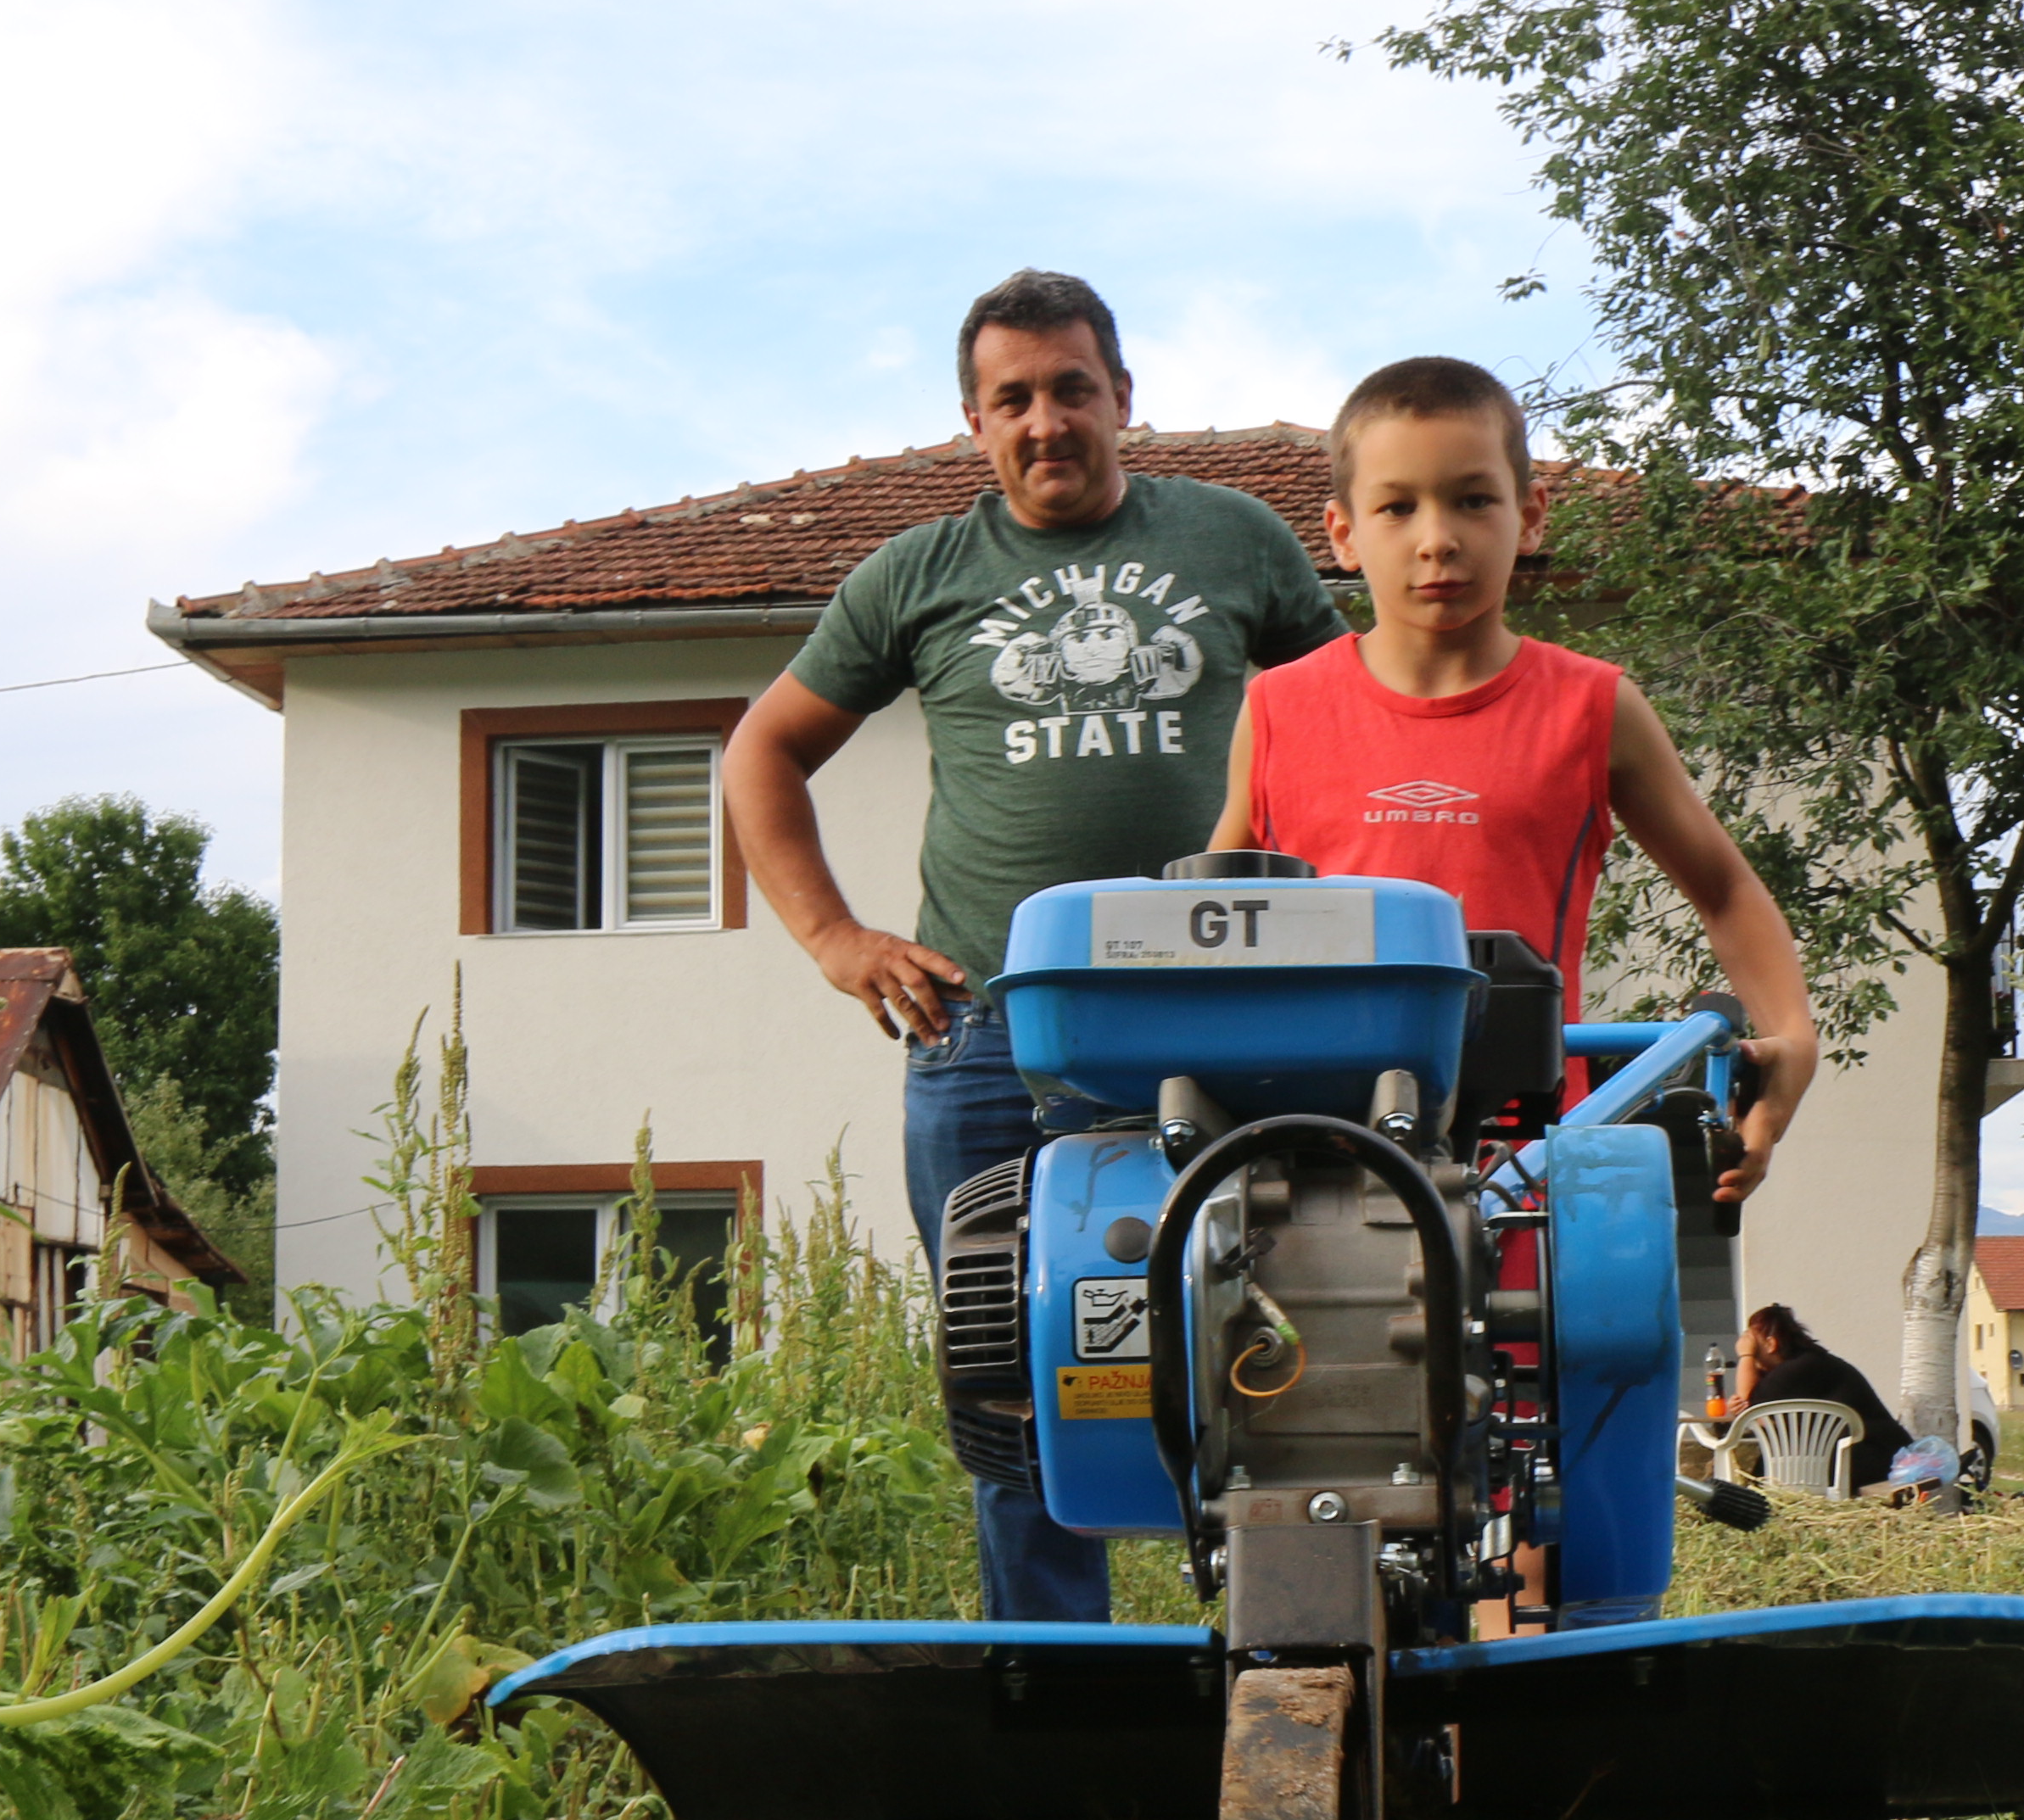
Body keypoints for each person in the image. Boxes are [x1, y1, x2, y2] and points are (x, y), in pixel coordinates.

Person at [725, 269, 1356, 1622]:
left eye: (1072, 388)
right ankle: (1066, 1698)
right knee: (1017, 1370)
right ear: (973, 421)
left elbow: (1348, 724)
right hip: (988, 1027)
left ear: (1123, 397)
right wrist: (835, 938)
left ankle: (1287, 1654)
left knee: (1285, 1330)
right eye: (1013, 398)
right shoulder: (921, 573)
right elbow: (762, 753)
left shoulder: (1238, 541)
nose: (1046, 420)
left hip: (1231, 1007)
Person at [1207, 354, 1816, 1192]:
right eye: (1397, 507)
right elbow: (1207, 930)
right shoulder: (1278, 710)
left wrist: (1794, 1039)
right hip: (1304, 1167)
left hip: (1528, 1167)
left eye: (1473, 500)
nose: (1438, 539)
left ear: (1529, 516)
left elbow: (1726, 891)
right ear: (1344, 535)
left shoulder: (1593, 707)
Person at [1722, 1303, 1917, 1493]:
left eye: (1755, 1347)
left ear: (1772, 1344)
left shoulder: (1801, 1367)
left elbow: (1749, 1399)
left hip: (1878, 1456)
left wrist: (1746, 1355)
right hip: (1861, 1455)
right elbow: (1763, 1415)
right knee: (1769, 1466)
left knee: (1772, 1471)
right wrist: (1743, 1406)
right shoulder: (1808, 1364)